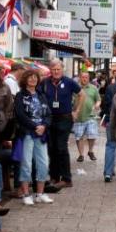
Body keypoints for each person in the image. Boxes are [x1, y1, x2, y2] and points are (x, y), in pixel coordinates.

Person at [14, 69, 54, 205]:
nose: (33, 80)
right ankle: (26, 194)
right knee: (26, 164)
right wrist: (34, 126)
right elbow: (20, 115)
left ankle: (40, 193)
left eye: (35, 77)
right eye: (30, 77)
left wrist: (44, 126)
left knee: (43, 163)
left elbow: (48, 114)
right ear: (25, 79)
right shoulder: (20, 96)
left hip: (41, 134)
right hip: (27, 133)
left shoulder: (41, 95)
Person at [38, 60, 80, 189]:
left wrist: (76, 111)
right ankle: (54, 177)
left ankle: (66, 179)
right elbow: (38, 96)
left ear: (62, 69)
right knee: (51, 148)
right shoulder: (45, 82)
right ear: (50, 70)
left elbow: (81, 94)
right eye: (53, 69)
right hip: (49, 119)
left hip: (65, 118)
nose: (56, 72)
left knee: (61, 147)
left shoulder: (69, 82)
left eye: (58, 69)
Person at [101, 70, 116, 182]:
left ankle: (108, 172)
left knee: (111, 146)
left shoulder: (110, 88)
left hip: (112, 120)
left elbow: (104, 104)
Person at [72, 71, 100, 162]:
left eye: (86, 77)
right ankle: (81, 155)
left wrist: (97, 105)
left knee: (92, 135)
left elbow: (98, 100)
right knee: (79, 136)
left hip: (91, 116)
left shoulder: (93, 88)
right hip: (79, 116)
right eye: (82, 77)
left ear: (89, 78)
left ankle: (90, 151)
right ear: (80, 78)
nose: (84, 79)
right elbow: (71, 101)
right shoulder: (75, 88)